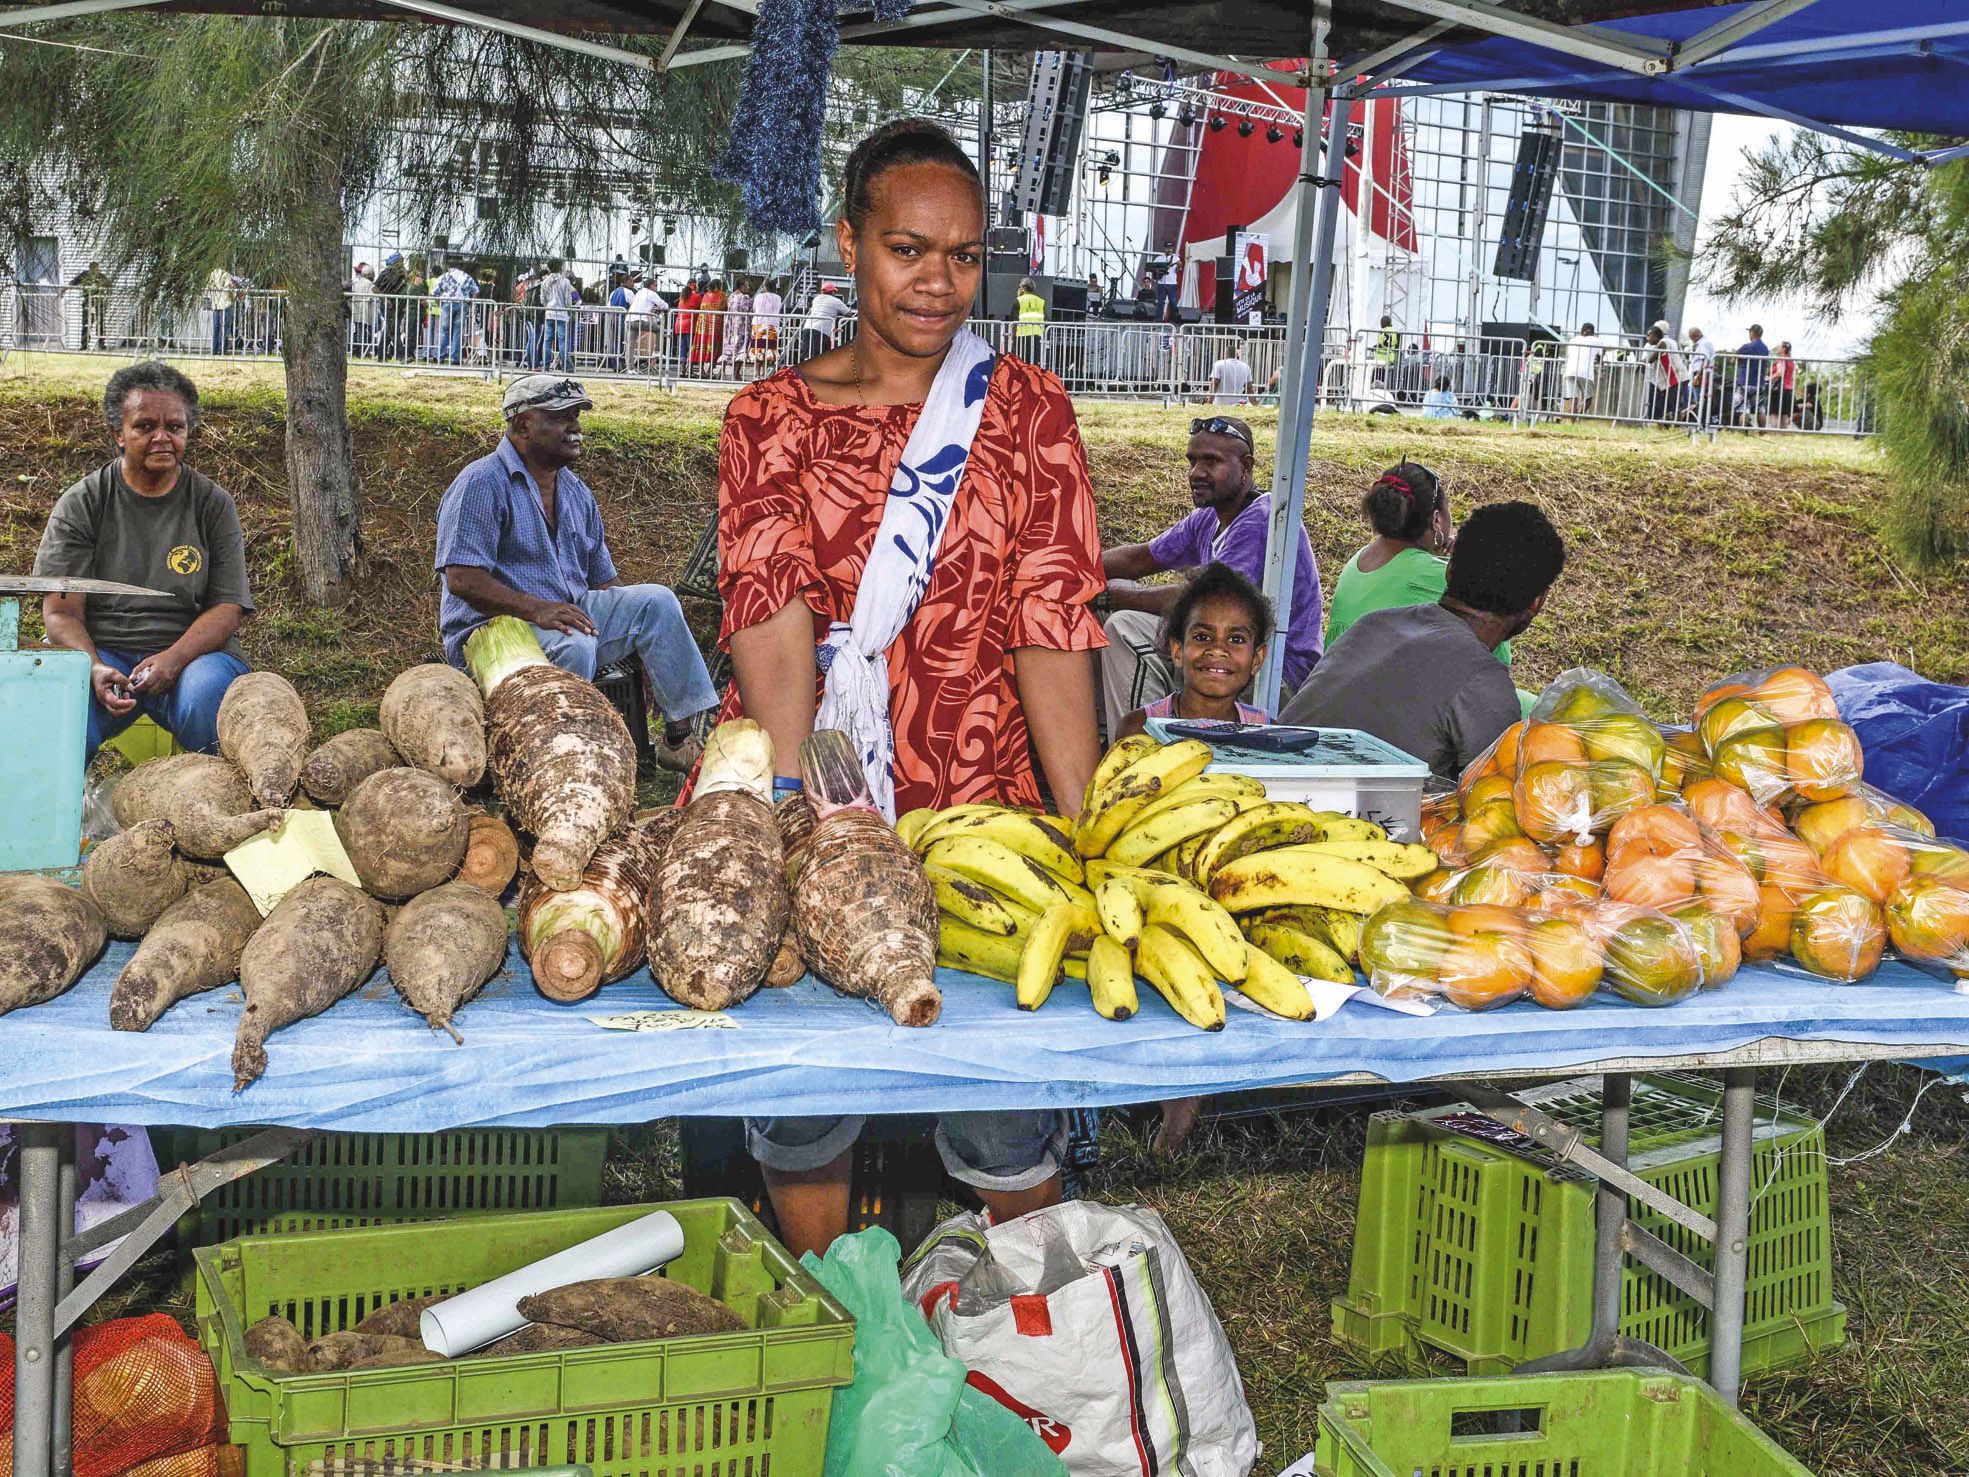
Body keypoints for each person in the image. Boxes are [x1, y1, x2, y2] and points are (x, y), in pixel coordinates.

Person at [715, 117, 1104, 1257]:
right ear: (849, 243)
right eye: (908, 249)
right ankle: (833, 1304)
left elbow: (1051, 615)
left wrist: (1083, 824)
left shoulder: (1027, 413)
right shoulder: (769, 418)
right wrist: (795, 804)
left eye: (965, 255)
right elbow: (769, 610)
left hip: (981, 799)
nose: (939, 281)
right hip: (821, 782)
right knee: (805, 1092)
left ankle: (1031, 1316)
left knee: (999, 1095)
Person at [435, 374, 717, 771]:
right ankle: (560, 756)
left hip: (563, 618)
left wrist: (643, 650)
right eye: (561, 417)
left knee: (656, 602)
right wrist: (537, 610)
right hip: (493, 633)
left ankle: (676, 739)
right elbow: (461, 577)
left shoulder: (575, 491)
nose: (575, 427)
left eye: (577, 416)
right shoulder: (481, 483)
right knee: (575, 642)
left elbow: (604, 582)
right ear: (522, 425)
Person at [33, 363, 252, 760]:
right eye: (145, 426)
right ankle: (53, 817)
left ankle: (226, 812)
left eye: (175, 427)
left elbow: (228, 606)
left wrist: (174, 658)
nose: (162, 438)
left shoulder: (212, 504)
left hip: (192, 658)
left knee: (207, 700)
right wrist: (94, 668)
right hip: (102, 652)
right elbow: (61, 612)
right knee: (58, 715)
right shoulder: (83, 503)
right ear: (118, 433)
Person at [1281, 501, 1565, 779]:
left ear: (1449, 569)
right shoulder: (1485, 683)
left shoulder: (1372, 625)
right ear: (1537, 603)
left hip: (1257, 793)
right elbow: (1492, 803)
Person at [1099, 415, 1321, 734]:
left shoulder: (1262, 520)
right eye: (1192, 461)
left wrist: (1109, 597)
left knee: (1125, 628)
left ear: (1246, 466)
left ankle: (1143, 749)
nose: (1196, 473)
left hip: (1276, 673)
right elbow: (1138, 560)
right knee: (1115, 596)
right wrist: (1067, 568)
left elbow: (1204, 600)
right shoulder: (1208, 517)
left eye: (1211, 461)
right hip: (1229, 653)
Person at [1324, 459, 1514, 671]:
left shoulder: (1358, 561)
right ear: (1436, 520)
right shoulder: (1437, 576)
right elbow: (1500, 654)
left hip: (1335, 688)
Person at [1116, 562, 1272, 739]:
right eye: (1203, 637)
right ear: (1177, 650)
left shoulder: (1267, 734)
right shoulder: (1140, 729)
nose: (1217, 650)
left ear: (1257, 659)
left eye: (1236, 639)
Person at [432, 258, 478, 366]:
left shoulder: (444, 277)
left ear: (449, 267)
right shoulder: (467, 277)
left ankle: (440, 356)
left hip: (447, 303)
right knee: (458, 331)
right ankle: (455, 358)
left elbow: (435, 292)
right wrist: (471, 303)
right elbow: (476, 290)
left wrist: (439, 304)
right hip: (462, 304)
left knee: (444, 331)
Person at [535, 258, 576, 370]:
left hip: (549, 313)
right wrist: (568, 307)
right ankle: (567, 365)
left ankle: (546, 364)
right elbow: (568, 301)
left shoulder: (545, 282)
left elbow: (542, 300)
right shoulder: (565, 282)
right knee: (562, 341)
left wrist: (548, 306)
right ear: (560, 267)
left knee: (547, 341)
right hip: (562, 314)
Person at [796, 281, 851, 362]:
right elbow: (848, 313)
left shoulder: (816, 299)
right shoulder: (836, 301)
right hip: (821, 331)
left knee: (807, 356)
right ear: (832, 292)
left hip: (807, 328)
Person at [1643, 321, 1682, 425]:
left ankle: (1674, 424)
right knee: (1667, 403)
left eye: (1649, 335)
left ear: (1656, 334)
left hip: (1674, 377)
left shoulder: (1663, 343)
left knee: (1672, 403)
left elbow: (1651, 358)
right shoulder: (1670, 341)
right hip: (1668, 377)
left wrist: (1641, 362)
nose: (1647, 338)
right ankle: (1664, 423)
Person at [626, 275, 668, 369]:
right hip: (640, 320)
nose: (656, 287)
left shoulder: (639, 292)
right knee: (659, 329)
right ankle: (657, 351)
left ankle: (630, 368)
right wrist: (658, 307)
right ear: (651, 286)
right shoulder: (651, 293)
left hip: (629, 319)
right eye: (655, 285)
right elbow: (664, 305)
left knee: (631, 345)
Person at [69, 261, 111, 351]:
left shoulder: (101, 276)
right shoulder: (84, 275)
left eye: (96, 270)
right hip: (88, 302)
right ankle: (84, 345)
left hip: (99, 303)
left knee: (100, 324)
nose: (95, 272)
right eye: (93, 270)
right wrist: (63, 290)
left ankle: (101, 344)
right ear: (90, 269)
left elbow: (109, 287)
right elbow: (73, 282)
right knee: (86, 324)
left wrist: (107, 298)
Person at [375, 251, 410, 360]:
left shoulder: (403, 274)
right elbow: (375, 288)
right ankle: (401, 355)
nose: (401, 264)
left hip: (399, 306)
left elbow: (406, 289)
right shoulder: (386, 273)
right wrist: (384, 299)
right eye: (400, 262)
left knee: (390, 330)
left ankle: (381, 355)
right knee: (393, 330)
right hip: (388, 305)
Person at [1735, 323, 1770, 429]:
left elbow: (1734, 359)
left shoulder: (1747, 346)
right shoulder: (1765, 348)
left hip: (1745, 381)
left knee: (1743, 408)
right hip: (1759, 382)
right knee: (1760, 409)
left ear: (1752, 333)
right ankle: (1762, 431)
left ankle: (1743, 430)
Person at [1563, 323, 1599, 416]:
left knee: (1573, 398)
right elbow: (1599, 356)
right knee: (1588, 398)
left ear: (1581, 331)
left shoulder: (1573, 340)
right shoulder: (1596, 341)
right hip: (1586, 373)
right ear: (1593, 332)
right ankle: (1579, 416)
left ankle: (1572, 422)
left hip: (1569, 371)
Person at [721, 277, 753, 378]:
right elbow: (749, 309)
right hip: (741, 327)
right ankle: (736, 373)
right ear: (742, 286)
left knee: (729, 348)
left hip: (730, 327)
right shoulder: (744, 298)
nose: (748, 288)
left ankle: (722, 372)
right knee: (740, 350)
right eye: (747, 285)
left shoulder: (731, 296)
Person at [1684, 325, 1715, 428]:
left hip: (1700, 373)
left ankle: (1701, 422)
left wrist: (1698, 376)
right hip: (1699, 373)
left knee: (1700, 399)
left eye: (1691, 337)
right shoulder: (1702, 343)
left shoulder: (1704, 344)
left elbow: (1704, 360)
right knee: (1698, 398)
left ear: (1694, 336)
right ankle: (1700, 420)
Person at [693, 276, 727, 367]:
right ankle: (710, 369)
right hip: (715, 325)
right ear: (719, 286)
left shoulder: (705, 295)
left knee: (702, 345)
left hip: (703, 324)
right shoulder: (722, 295)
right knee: (715, 346)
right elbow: (725, 308)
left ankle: (702, 370)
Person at [750, 277, 783, 368]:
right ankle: (765, 373)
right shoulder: (778, 298)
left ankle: (757, 374)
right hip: (772, 326)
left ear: (765, 287)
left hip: (758, 324)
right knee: (770, 350)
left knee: (758, 349)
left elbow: (754, 309)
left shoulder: (759, 296)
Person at [205, 265, 237, 356]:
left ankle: (215, 350)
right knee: (225, 328)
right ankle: (222, 349)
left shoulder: (212, 274)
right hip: (225, 304)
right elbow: (229, 289)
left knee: (216, 328)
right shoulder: (226, 275)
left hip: (215, 304)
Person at [348, 262, 378, 356]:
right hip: (366, 312)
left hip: (357, 311)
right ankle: (362, 350)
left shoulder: (357, 283)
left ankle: (357, 349)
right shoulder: (370, 284)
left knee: (358, 331)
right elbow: (372, 297)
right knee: (365, 332)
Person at [1768, 339, 1798, 429]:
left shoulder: (1781, 359)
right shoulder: (1791, 361)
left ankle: (1775, 432)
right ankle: (1784, 432)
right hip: (1789, 389)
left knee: (1775, 413)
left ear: (1784, 349)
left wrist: (1769, 378)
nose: (1777, 347)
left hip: (1779, 389)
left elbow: (1780, 372)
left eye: (1779, 346)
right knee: (1784, 414)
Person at [1014, 276, 1046, 361]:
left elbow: (1013, 321)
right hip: (1037, 336)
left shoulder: (1019, 300)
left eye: (1019, 287)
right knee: (1034, 364)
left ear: (1023, 288)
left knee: (1021, 363)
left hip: (1022, 336)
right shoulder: (1041, 301)